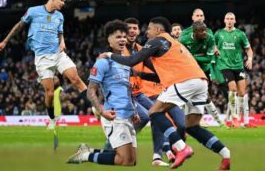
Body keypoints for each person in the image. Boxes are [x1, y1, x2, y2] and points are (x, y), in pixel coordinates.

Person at [99, 17, 231, 170]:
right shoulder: (173, 44)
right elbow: (157, 75)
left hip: (185, 81)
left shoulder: (157, 40)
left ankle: (181, 148)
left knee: (154, 112)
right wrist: (140, 75)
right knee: (192, 126)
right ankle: (225, 155)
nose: (147, 32)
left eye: (149, 29)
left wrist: (109, 55)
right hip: (200, 82)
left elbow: (132, 60)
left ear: (157, 29)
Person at [0, 0, 88, 129]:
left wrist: (62, 41)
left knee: (76, 79)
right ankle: (51, 119)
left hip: (58, 54)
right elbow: (19, 26)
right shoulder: (33, 11)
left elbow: (60, 32)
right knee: (50, 94)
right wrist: (5, 41)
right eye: (62, 0)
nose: (63, 3)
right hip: (42, 58)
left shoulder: (59, 16)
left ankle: (97, 108)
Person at [67, 20, 139, 166]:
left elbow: (128, 89)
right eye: (118, 37)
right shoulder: (103, 62)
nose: (123, 40)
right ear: (109, 40)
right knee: (124, 160)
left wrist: (134, 110)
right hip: (114, 115)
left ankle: (88, 151)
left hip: (128, 115)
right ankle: (86, 156)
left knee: (131, 161)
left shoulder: (126, 61)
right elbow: (91, 90)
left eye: (124, 37)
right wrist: (101, 111)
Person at [124, 17, 185, 166]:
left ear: (138, 31)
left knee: (155, 115)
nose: (132, 31)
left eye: (135, 28)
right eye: (129, 28)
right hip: (124, 95)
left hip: (138, 93)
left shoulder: (141, 49)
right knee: (147, 117)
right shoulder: (119, 50)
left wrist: (170, 71)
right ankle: (121, 143)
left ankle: (158, 155)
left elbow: (157, 70)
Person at [179, 21, 225, 126]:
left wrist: (191, 56)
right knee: (186, 95)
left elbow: (208, 59)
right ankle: (185, 121)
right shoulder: (184, 40)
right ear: (195, 32)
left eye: (205, 30)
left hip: (204, 70)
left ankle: (219, 122)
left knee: (206, 96)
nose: (205, 32)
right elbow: (180, 56)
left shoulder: (209, 38)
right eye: (202, 31)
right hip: (189, 70)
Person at [214, 12, 254, 127]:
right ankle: (234, 117)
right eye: (228, 18)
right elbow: (213, 44)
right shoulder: (219, 34)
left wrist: (250, 59)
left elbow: (248, 49)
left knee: (242, 93)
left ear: (235, 21)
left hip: (238, 66)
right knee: (232, 89)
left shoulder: (240, 34)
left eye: (232, 19)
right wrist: (215, 49)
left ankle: (245, 121)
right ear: (224, 20)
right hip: (225, 66)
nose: (230, 20)